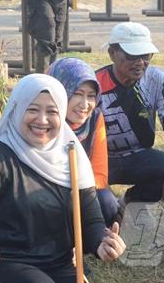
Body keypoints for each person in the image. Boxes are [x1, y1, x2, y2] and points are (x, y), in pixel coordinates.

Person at [0, 74, 125, 283]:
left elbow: (90, 221)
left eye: (52, 112)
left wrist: (102, 243)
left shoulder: (72, 158)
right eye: (32, 109)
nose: (42, 120)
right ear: (17, 109)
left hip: (56, 266)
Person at [96, 22, 164, 213]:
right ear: (112, 53)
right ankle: (110, 205)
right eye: (131, 55)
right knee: (105, 210)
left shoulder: (158, 79)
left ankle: (130, 201)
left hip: (138, 156)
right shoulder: (94, 84)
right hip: (100, 160)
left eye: (145, 56)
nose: (140, 62)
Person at [48, 58, 120, 226]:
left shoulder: (95, 118)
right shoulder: (44, 121)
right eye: (77, 94)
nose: (85, 105)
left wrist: (76, 192)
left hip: (82, 186)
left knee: (107, 204)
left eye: (91, 96)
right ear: (59, 92)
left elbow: (100, 175)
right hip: (45, 190)